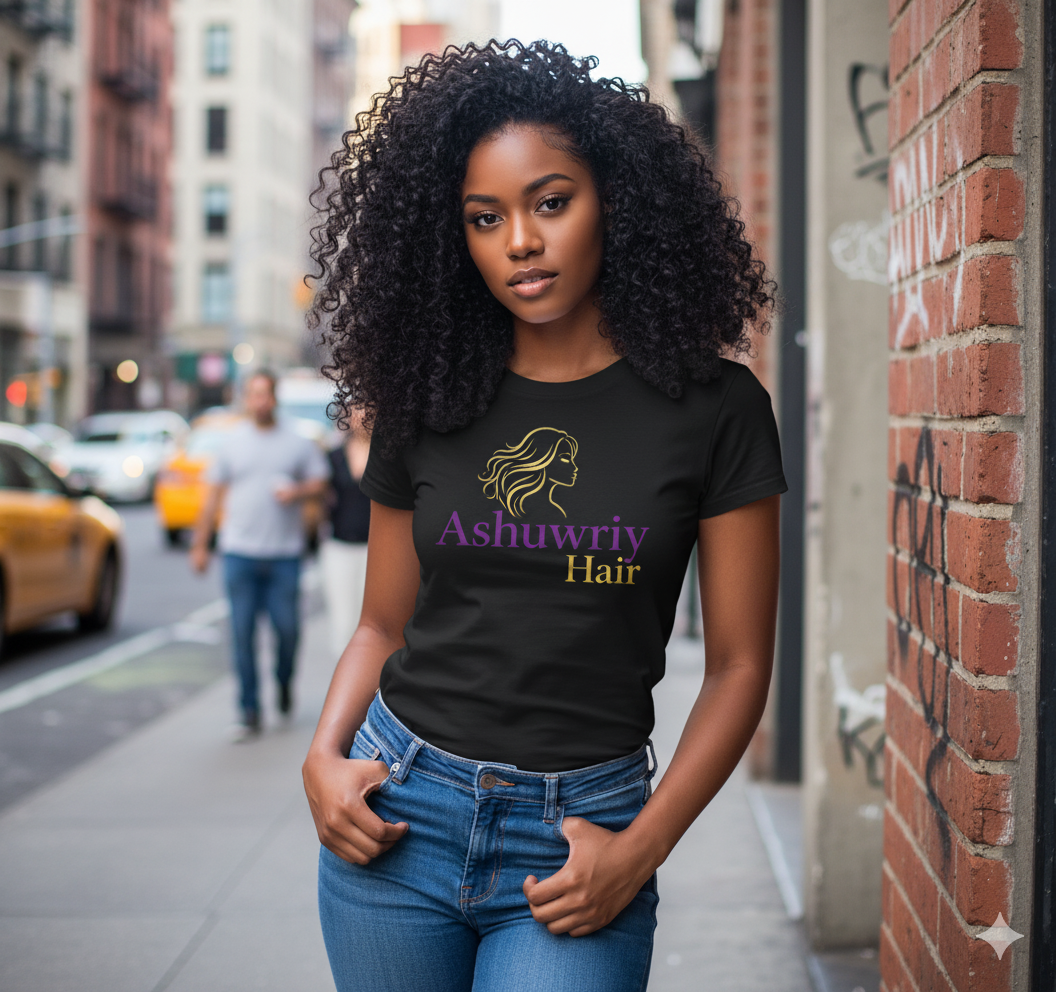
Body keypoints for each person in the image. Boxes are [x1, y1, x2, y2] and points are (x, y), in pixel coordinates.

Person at [302, 39, 786, 992]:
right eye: (485, 218)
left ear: (619, 202)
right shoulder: (425, 398)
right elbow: (380, 624)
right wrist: (323, 758)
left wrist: (640, 849)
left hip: (579, 835)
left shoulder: (714, 407)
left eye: (550, 202)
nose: (519, 240)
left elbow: (738, 667)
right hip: (399, 815)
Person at [191, 370, 329, 739]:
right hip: (239, 553)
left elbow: (320, 482)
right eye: (253, 395)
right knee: (242, 632)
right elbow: (213, 495)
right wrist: (201, 544)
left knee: (287, 630)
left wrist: (296, 492)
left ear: (275, 397)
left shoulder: (297, 441)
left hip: (285, 554)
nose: (260, 401)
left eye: (265, 394)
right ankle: (249, 709)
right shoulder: (232, 442)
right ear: (245, 399)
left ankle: (284, 683)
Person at [320, 417, 371, 656]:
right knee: (343, 625)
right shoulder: (333, 456)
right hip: (340, 546)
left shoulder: (389, 456)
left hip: (377, 550)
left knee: (373, 623)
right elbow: (320, 498)